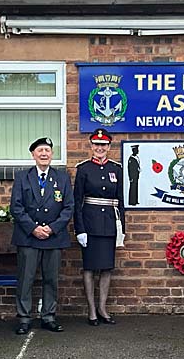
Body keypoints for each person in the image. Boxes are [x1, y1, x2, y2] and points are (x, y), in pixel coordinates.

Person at [10, 137, 74, 335]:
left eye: (47, 150)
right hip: (29, 237)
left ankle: (48, 316)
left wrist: (52, 228)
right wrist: (34, 228)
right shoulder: (22, 177)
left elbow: (68, 207)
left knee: (51, 279)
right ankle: (24, 317)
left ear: (52, 154)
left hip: (54, 237)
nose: (44, 154)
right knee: (26, 279)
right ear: (33, 155)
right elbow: (16, 207)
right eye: (40, 150)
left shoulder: (62, 177)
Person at [74, 128, 125, 326]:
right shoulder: (84, 169)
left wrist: (122, 228)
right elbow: (77, 202)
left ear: (109, 147)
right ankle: (92, 310)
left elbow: (120, 201)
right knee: (89, 268)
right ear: (91, 146)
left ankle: (103, 308)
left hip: (109, 225)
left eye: (103, 145)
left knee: (106, 268)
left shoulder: (116, 169)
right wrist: (80, 229)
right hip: (90, 224)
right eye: (96, 144)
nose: (100, 148)